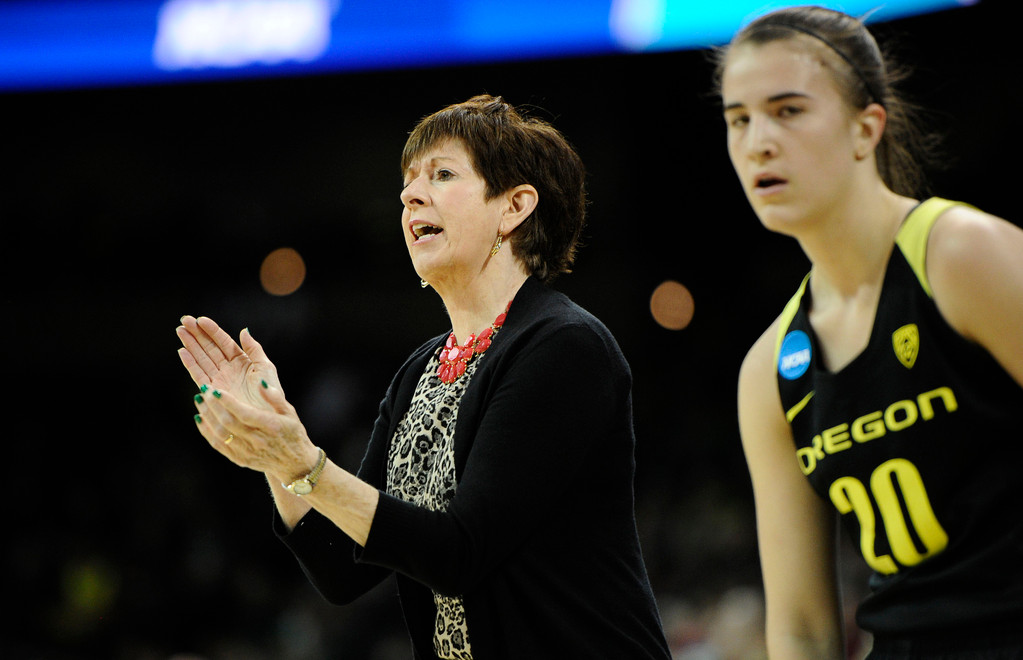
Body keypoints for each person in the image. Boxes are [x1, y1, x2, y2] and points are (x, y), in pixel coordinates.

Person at [176, 94, 671, 659]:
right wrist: (275, 452)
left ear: (514, 206)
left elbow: (460, 552)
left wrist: (304, 463)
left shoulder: (564, 347)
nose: (410, 194)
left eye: (442, 174)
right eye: (409, 180)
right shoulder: (420, 372)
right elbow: (341, 571)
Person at [718, 6, 1023, 659]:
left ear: (866, 128)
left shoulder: (961, 254)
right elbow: (802, 629)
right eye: (738, 119)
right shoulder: (768, 370)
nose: (757, 141)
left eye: (787, 110)